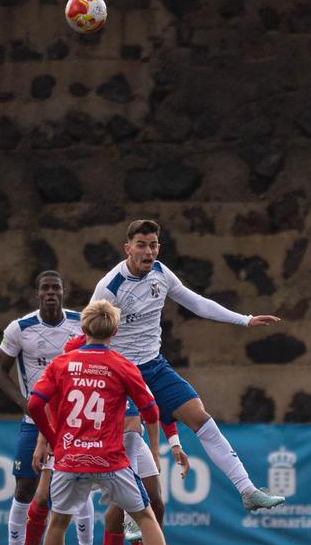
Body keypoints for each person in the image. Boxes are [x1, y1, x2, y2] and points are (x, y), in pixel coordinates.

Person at [91, 219, 285, 511]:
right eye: (141, 245)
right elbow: (88, 332)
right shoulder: (110, 287)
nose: (148, 252)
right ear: (127, 248)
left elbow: (197, 303)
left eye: (153, 245)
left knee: (201, 419)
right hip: (121, 373)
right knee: (132, 436)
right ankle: (132, 512)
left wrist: (245, 320)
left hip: (155, 367)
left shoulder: (160, 273)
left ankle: (247, 491)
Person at [26, 300, 192, 545]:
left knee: (58, 522)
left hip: (70, 457)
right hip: (110, 459)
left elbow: (35, 404)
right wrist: (155, 451)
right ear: (115, 331)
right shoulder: (122, 364)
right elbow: (151, 410)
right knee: (146, 518)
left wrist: (54, 439)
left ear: (83, 328)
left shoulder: (62, 363)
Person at [0, 271, 96, 545]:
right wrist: (27, 405)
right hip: (34, 420)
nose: (51, 292)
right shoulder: (19, 328)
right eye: (45, 288)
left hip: (73, 421)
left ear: (64, 292)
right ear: (37, 294)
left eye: (56, 288)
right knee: (25, 488)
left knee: (82, 485)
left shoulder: (81, 323)